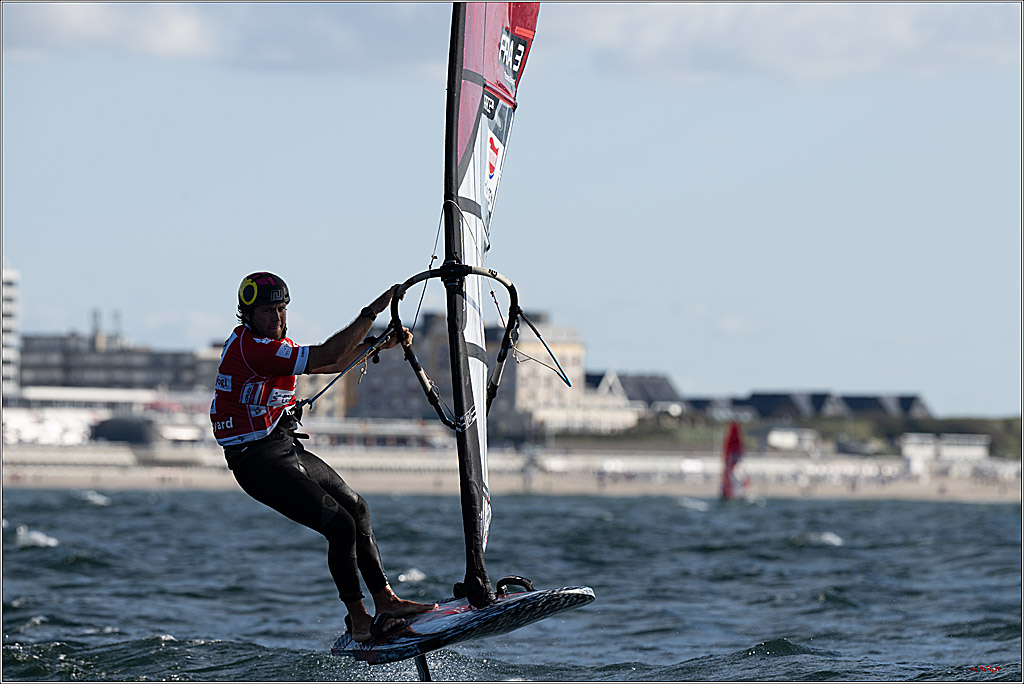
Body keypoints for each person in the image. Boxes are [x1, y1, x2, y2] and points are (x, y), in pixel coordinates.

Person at [210, 271, 435, 642]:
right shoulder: (253, 348)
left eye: (281, 309)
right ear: (247, 315)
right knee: (340, 525)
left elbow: (329, 364)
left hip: (282, 447)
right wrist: (373, 310)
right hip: (256, 462)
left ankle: (386, 600)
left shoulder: (274, 345)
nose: (277, 318)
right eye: (267, 311)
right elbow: (330, 353)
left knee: (358, 509)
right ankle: (359, 618)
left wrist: (381, 344)